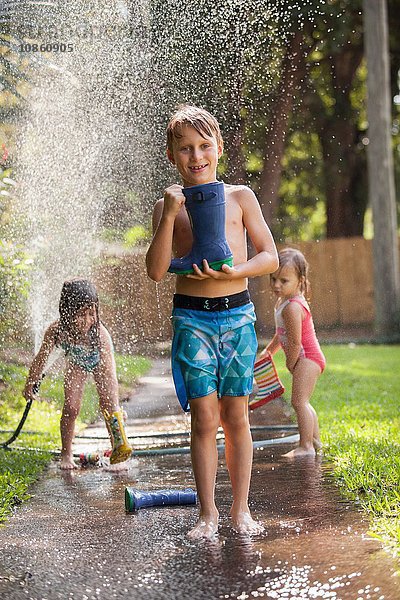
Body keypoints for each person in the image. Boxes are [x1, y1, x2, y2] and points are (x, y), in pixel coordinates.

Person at [146, 104, 278, 539]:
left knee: (236, 415)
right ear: (171, 155)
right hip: (192, 319)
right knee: (204, 417)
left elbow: (269, 257)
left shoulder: (240, 197)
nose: (196, 155)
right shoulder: (170, 205)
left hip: (237, 315)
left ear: (219, 148)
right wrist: (168, 215)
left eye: (204, 146)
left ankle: (240, 510)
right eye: (185, 148)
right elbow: (157, 269)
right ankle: (208, 514)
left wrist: (235, 271)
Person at [23, 278, 132, 470]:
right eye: (81, 314)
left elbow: (108, 373)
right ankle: (66, 454)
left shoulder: (100, 335)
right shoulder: (57, 331)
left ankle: (119, 450)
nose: (88, 320)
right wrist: (31, 382)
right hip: (76, 362)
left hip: (100, 359)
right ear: (66, 312)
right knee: (71, 407)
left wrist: (111, 394)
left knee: (109, 404)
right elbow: (41, 358)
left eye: (92, 313)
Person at [259, 248, 326, 458]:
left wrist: (291, 362)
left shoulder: (292, 307)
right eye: (273, 279)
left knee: (299, 402)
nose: (276, 285)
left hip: (307, 358)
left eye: (283, 281)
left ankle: (305, 446)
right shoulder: (284, 302)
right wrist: (269, 351)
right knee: (303, 401)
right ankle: (315, 442)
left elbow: (295, 341)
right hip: (308, 358)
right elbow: (282, 335)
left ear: (300, 280)